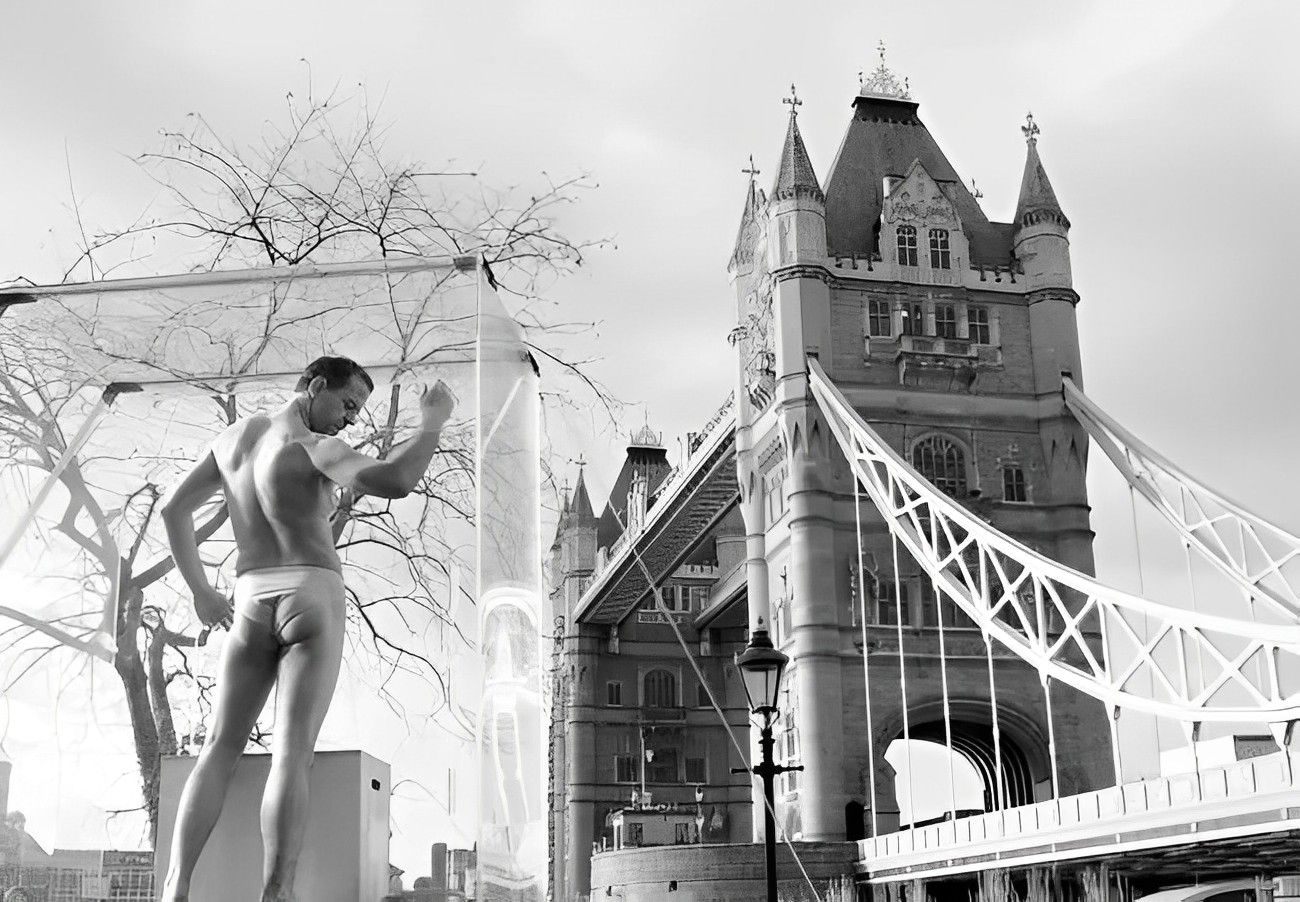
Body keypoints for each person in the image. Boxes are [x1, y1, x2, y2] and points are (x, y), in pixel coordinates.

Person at [158, 355, 455, 902]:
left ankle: (176, 888)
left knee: (219, 746)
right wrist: (431, 423)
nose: (350, 421)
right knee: (292, 754)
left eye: (358, 412)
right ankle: (277, 892)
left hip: (249, 596)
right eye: (347, 405)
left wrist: (202, 591)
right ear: (315, 385)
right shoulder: (314, 449)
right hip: (310, 593)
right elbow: (398, 480)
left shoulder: (235, 439)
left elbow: (174, 510)